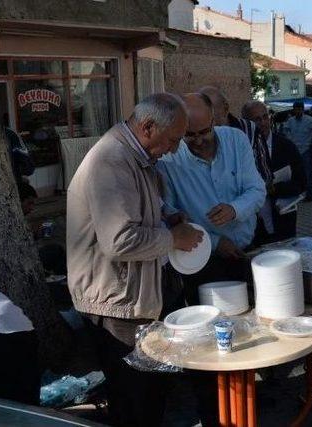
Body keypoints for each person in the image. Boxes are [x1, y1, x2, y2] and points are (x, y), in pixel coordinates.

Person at [66, 93, 203, 427]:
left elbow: (140, 212)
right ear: (147, 127)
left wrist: (168, 217)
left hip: (133, 296)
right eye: (172, 140)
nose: (174, 149)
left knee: (151, 394)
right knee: (136, 400)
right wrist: (174, 238)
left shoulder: (137, 156)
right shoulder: (112, 160)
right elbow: (119, 240)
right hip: (118, 305)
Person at [156, 93, 266, 304]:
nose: (198, 141)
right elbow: (171, 214)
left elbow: (257, 190)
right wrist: (214, 242)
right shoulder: (169, 159)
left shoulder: (236, 140)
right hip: (202, 261)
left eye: (205, 132)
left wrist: (234, 209)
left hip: (247, 248)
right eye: (189, 135)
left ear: (213, 121)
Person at [242, 100, 306, 244]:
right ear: (247, 123)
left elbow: (301, 184)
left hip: (283, 224)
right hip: (254, 228)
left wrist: (274, 188)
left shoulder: (286, 147)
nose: (263, 122)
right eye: (257, 119)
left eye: (265, 117)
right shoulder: (240, 150)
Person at [199, 86, 273, 185]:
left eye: (209, 113)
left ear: (225, 108)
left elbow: (264, 173)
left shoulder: (249, 129)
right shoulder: (196, 135)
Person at [282, 100, 312, 201]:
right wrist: (289, 139)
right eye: (296, 109)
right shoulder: (290, 121)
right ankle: (297, 193)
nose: (297, 111)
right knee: (295, 173)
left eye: (299, 109)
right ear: (293, 110)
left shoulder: (309, 120)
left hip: (305, 150)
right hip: (294, 151)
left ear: (302, 110)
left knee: (308, 173)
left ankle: (309, 195)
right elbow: (284, 129)